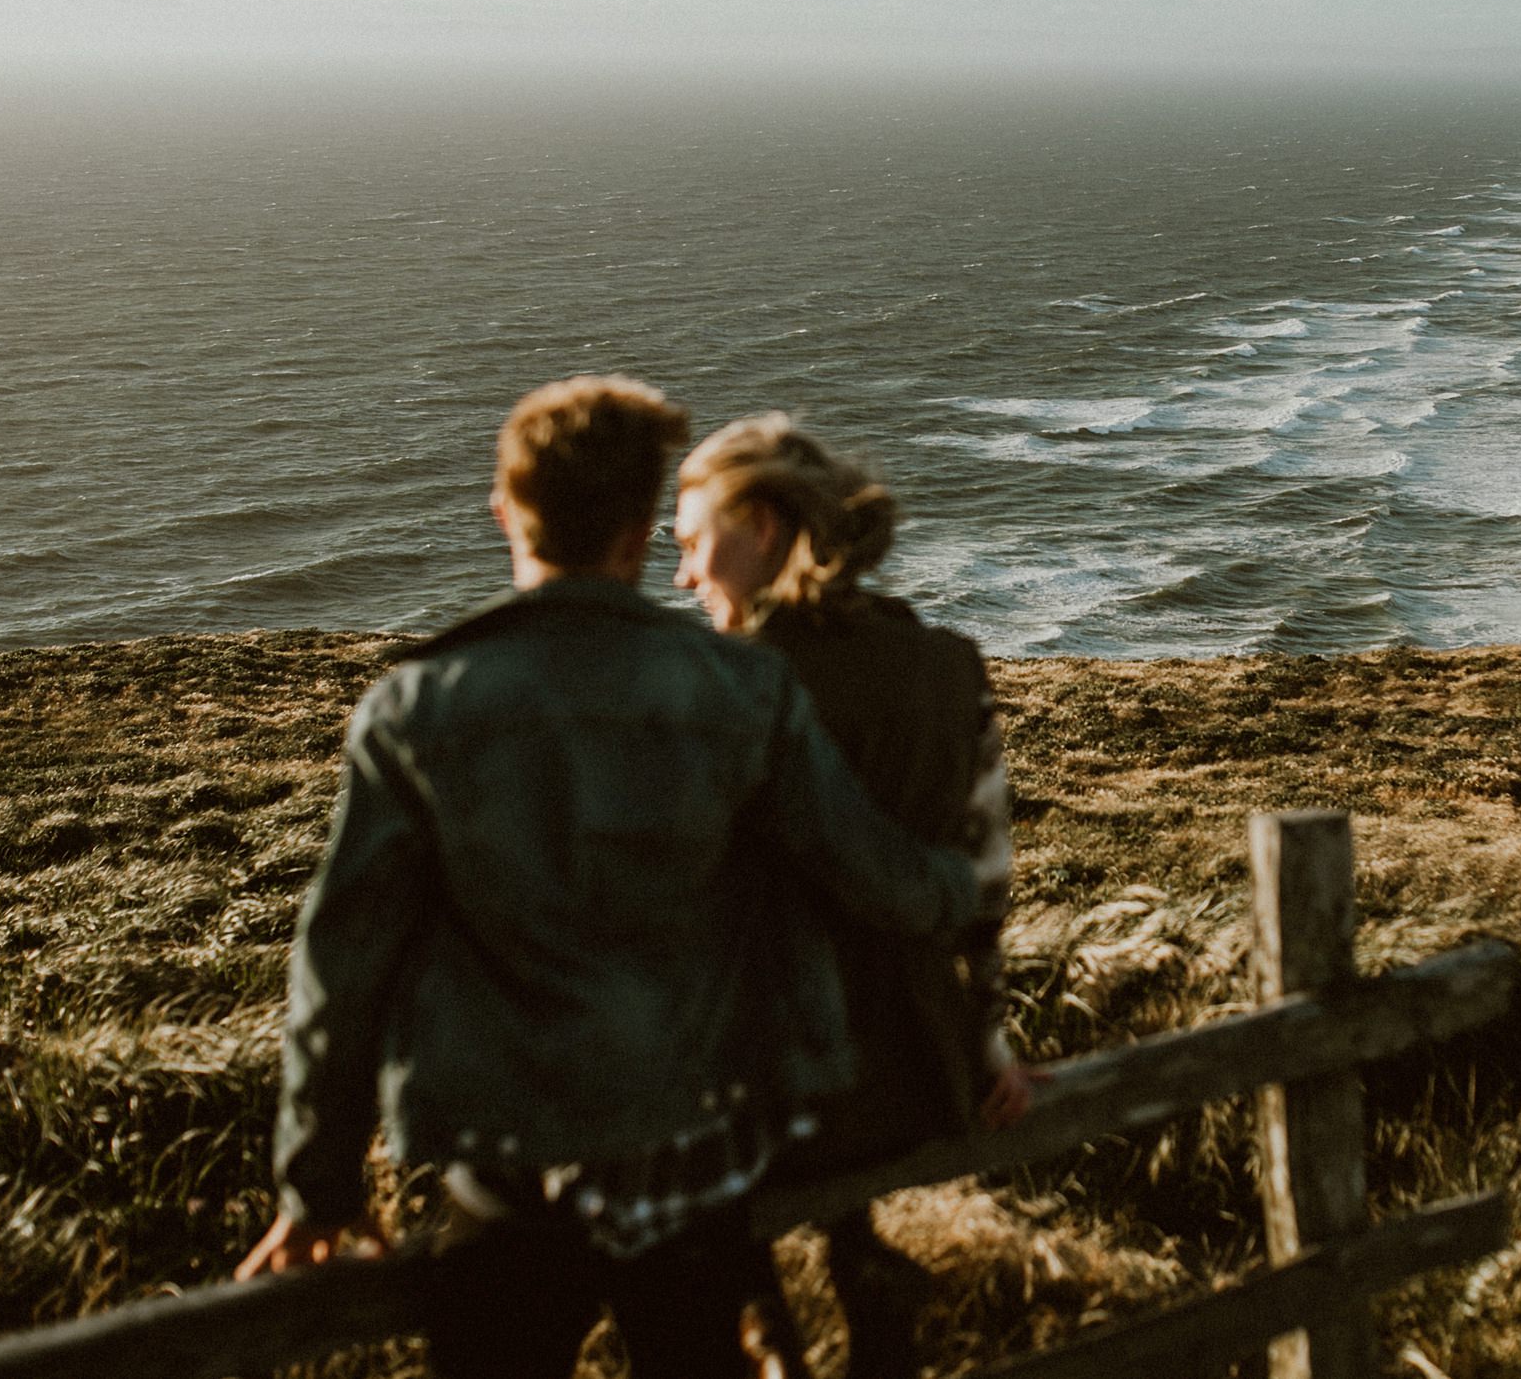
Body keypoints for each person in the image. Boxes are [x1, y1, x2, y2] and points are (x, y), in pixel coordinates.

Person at [236, 376, 999, 1379]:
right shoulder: (742, 688)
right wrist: (968, 891)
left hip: (509, 1171)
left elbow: (342, 968)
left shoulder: (415, 707)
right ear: (641, 529)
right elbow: (872, 873)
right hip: (693, 1167)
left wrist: (317, 1185)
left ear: (507, 511)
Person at [673, 414, 1027, 1379]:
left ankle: (766, 1324)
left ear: (767, 526)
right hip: (926, 1068)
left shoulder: (728, 688)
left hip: (781, 1095)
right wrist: (986, 1041)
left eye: (694, 543)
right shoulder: (950, 662)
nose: (682, 575)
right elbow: (985, 874)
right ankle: (853, 1264)